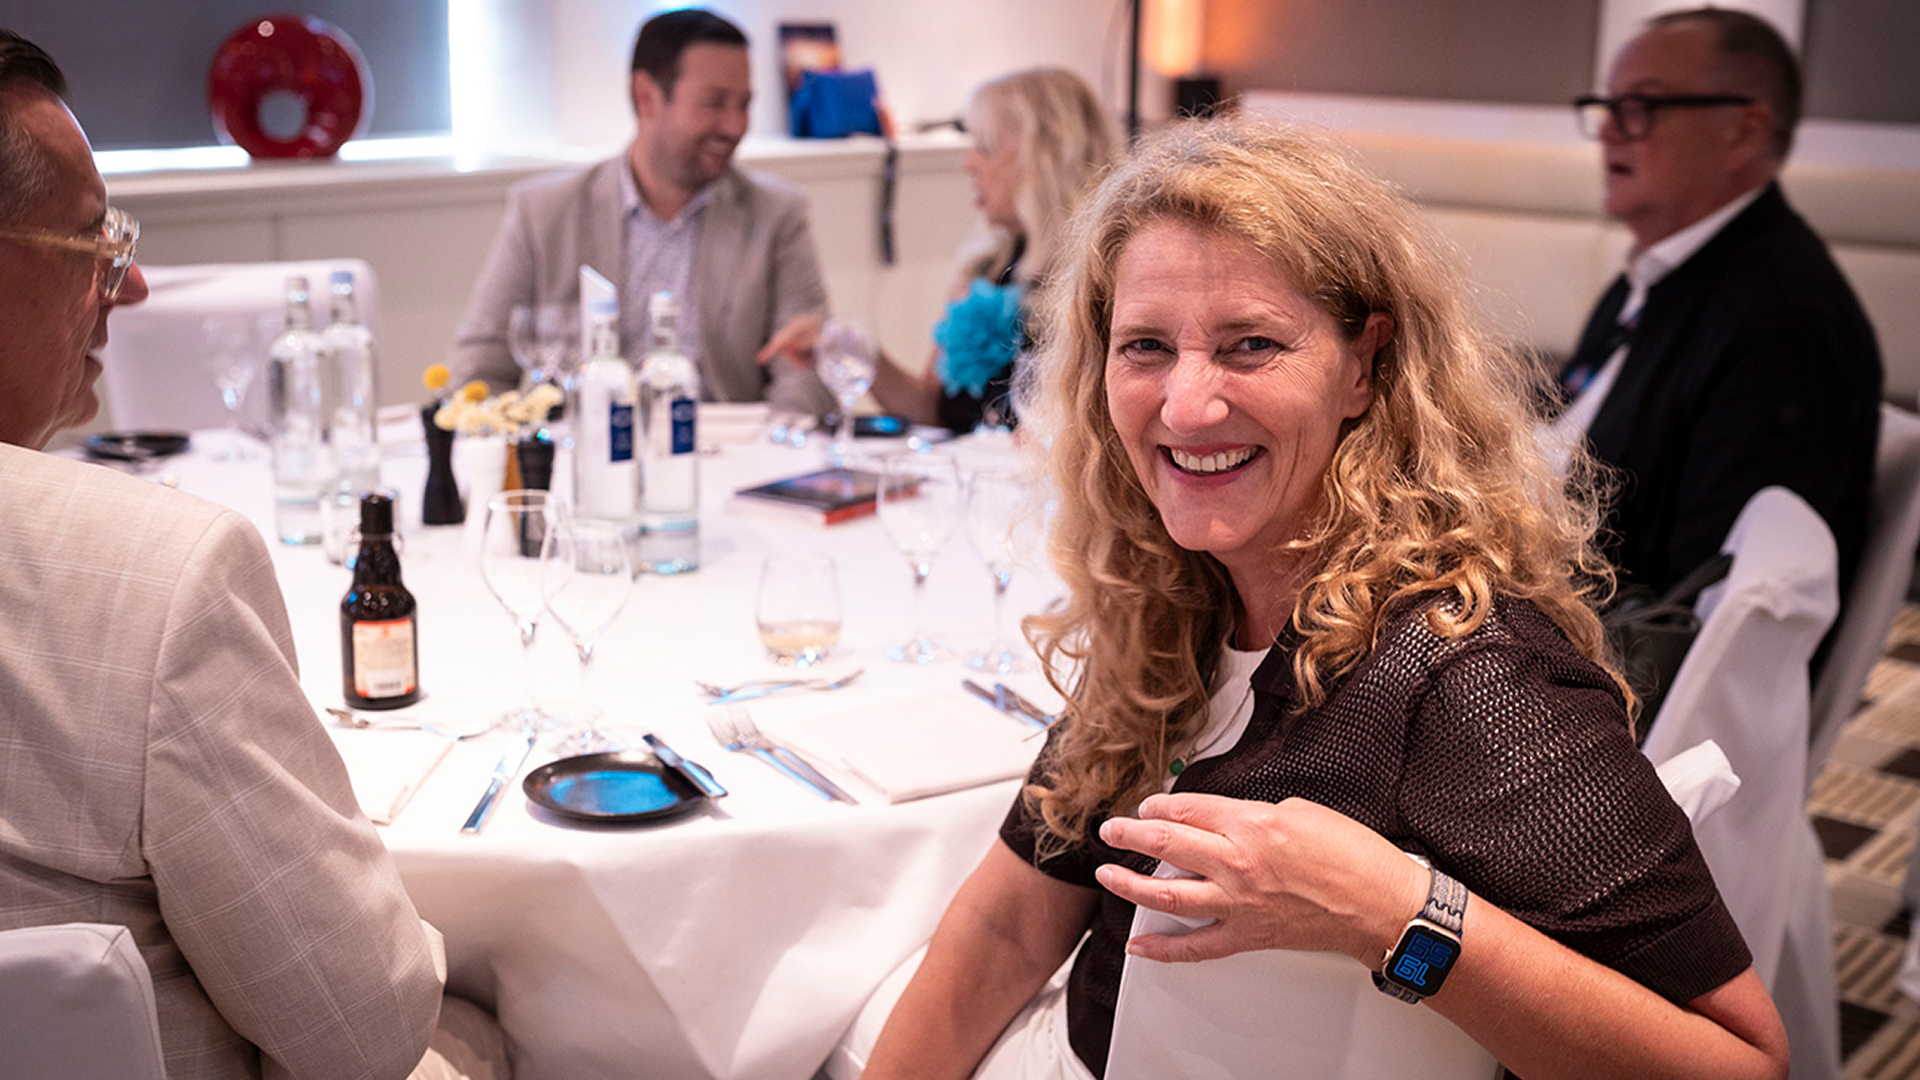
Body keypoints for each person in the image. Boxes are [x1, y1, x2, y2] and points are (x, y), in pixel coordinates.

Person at [859, 119, 1788, 1080]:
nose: (1185, 406)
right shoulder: (1175, 600)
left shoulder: (1468, 669)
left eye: (1250, 344)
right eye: (1145, 346)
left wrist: (1390, 913)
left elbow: (1740, 1063)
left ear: (1366, 366)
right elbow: (1013, 925)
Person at [0, 31, 503, 1080]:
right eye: (97, 245)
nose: (128, 290)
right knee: (481, 1028)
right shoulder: (155, 578)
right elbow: (362, 1027)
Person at [1550, 7, 1880, 596]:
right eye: (1608, 106)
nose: (1606, 130)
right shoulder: (1649, 282)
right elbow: (1564, 435)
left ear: (1744, 130)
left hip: (1589, 661)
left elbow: (1698, 603)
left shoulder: (1787, 327)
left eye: (1641, 106)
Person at [446, 8, 832, 414]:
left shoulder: (777, 215)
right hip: (582, 461)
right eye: (715, 103)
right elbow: (477, 373)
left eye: (744, 104)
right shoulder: (544, 213)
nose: (735, 126)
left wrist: (766, 455)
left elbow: (806, 376)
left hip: (727, 460)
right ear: (645, 96)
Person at [865, 67, 1120, 433]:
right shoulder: (984, 270)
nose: (967, 163)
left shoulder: (1105, 278)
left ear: (1045, 157)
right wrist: (862, 356)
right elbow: (932, 409)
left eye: (985, 147)